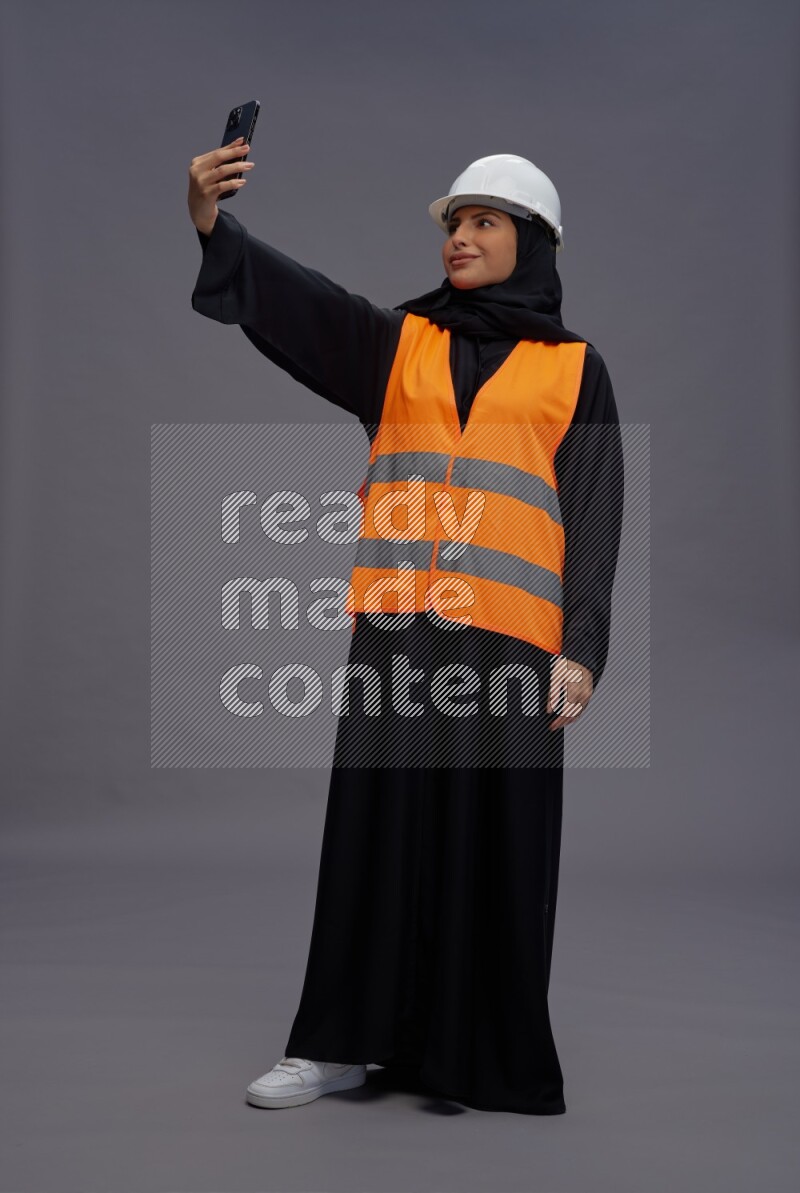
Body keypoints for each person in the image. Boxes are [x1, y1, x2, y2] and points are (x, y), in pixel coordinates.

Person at [187, 144, 624, 1114]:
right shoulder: (401, 345)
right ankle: (337, 1044)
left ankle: (476, 1055)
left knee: (496, 843)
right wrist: (216, 227)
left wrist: (583, 647)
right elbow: (304, 307)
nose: (458, 238)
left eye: (482, 222)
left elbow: (594, 511)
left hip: (512, 642)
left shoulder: (573, 370)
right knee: (374, 834)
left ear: (532, 242)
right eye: (452, 223)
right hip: (400, 635)